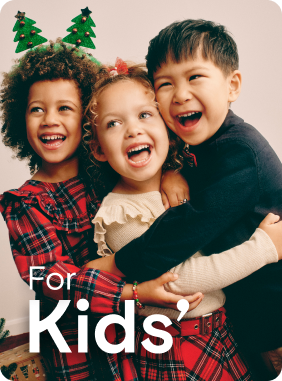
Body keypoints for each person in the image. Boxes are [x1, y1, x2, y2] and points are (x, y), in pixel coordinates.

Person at [87, 20, 282, 379]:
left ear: (232, 86)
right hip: (235, 321)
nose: (180, 94)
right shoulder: (203, 147)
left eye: (195, 77)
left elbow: (185, 231)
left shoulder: (239, 150)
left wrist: (116, 265)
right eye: (166, 84)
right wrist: (175, 172)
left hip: (273, 316)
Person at [0, 41, 200, 381]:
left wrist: (171, 171)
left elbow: (148, 161)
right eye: (37, 109)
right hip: (75, 339)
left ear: (89, 122)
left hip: (131, 330)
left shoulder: (106, 174)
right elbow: (49, 278)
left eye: (65, 108)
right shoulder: (26, 202)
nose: (50, 120)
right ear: (21, 118)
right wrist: (133, 292)